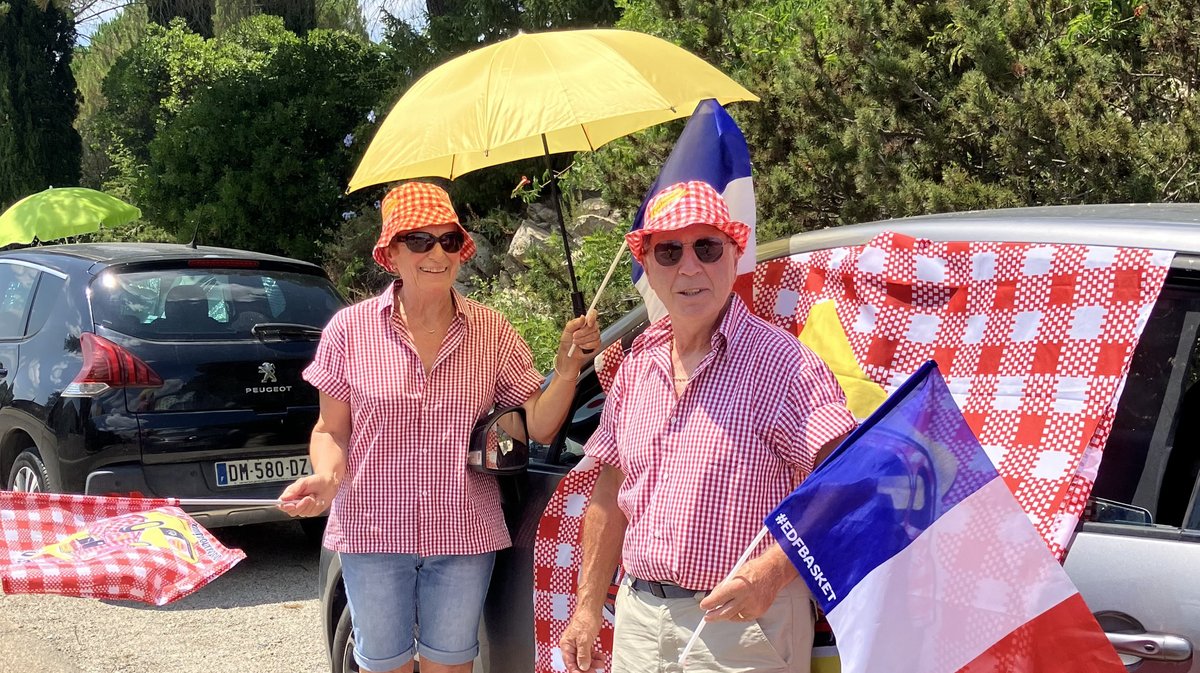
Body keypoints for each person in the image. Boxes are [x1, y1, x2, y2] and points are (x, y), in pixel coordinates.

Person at [279, 181, 600, 673]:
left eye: (449, 240)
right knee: (383, 665)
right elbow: (330, 430)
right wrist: (325, 477)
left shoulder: (493, 331)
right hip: (372, 529)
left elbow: (537, 424)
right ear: (391, 252)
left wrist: (567, 366)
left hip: (464, 531)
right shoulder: (349, 330)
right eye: (420, 240)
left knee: (449, 667)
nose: (437, 253)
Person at [559, 181, 857, 673]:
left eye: (707, 247)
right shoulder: (637, 365)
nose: (689, 266)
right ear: (649, 268)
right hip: (638, 620)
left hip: (742, 627)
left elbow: (842, 486)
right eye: (670, 251)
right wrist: (589, 608)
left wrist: (770, 573)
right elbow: (610, 489)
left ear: (734, 255)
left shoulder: (784, 365)